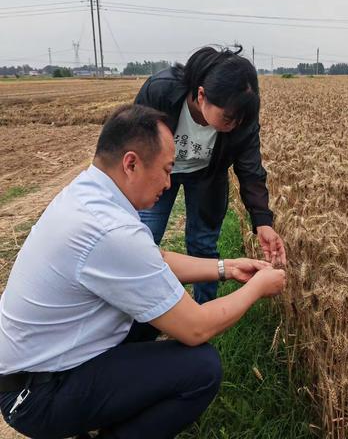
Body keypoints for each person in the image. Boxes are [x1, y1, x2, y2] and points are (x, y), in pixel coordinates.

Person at [0, 105, 286, 439]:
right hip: (36, 396)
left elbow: (153, 259)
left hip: (33, 371)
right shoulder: (109, 230)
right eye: (166, 170)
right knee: (201, 369)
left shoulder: (89, 194)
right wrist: (258, 287)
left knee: (152, 308)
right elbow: (195, 329)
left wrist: (227, 268)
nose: (169, 182)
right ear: (131, 163)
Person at [135, 45, 286, 304]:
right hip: (155, 173)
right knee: (142, 240)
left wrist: (263, 221)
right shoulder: (161, 91)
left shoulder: (240, 118)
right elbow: (132, 140)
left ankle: (205, 314)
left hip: (206, 177)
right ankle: (140, 308)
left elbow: (250, 168)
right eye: (228, 119)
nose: (234, 126)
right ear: (201, 95)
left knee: (203, 246)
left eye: (240, 120)